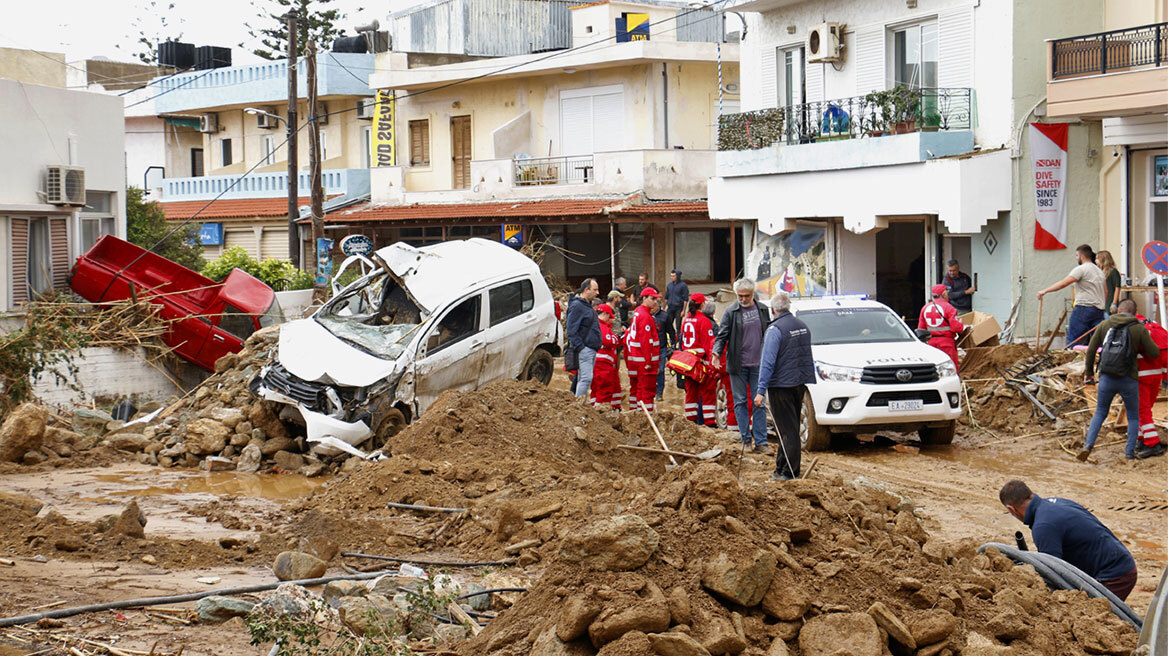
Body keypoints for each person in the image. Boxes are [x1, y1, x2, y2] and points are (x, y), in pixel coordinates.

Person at [999, 480, 1138, 601]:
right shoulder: (1055, 503)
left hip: (1114, 574)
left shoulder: (1043, 525)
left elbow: (1052, 573)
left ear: (1012, 509)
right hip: (1117, 560)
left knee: (1089, 615)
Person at [1081, 298, 1161, 461]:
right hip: (1128, 379)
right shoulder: (1138, 328)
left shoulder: (1104, 325)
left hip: (1106, 378)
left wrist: (1089, 373)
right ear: (1135, 313)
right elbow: (1154, 353)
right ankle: (1129, 453)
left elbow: (1091, 350)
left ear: (1118, 311)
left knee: (1100, 412)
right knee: (1133, 416)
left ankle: (1087, 446)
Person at [754, 291, 815, 481]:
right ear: (788, 307)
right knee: (789, 427)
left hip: (781, 385)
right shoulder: (802, 326)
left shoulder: (775, 329)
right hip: (799, 383)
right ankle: (780, 467)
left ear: (773, 309)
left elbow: (767, 362)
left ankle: (789, 472)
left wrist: (760, 391)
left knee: (787, 430)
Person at [711, 278, 771, 453]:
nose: (743, 299)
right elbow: (722, 336)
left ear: (753, 294)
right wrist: (716, 353)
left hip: (758, 364)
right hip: (738, 364)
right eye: (740, 296)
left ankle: (761, 442)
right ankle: (745, 440)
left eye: (747, 296)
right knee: (740, 401)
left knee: (759, 402)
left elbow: (769, 333)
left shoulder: (762, 310)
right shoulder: (731, 312)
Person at [1037, 244, 1107, 349]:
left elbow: (1063, 283)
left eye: (1077, 255)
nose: (1076, 258)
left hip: (1084, 308)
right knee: (1097, 341)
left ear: (1082, 256)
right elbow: (1106, 291)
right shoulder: (1099, 272)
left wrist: (1045, 291)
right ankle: (1099, 358)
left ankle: (1070, 357)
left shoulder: (1081, 269)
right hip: (1099, 310)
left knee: (1073, 340)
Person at [680, 293, 717, 427]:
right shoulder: (704, 320)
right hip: (700, 361)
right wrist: (711, 365)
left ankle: (691, 420)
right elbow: (709, 344)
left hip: (687, 362)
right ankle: (709, 422)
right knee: (707, 391)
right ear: (702, 305)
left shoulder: (686, 319)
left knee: (691, 392)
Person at [1135, 313, 1168, 458]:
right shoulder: (1156, 328)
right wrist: (1165, 376)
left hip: (1140, 375)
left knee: (1142, 411)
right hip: (1156, 375)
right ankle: (1142, 438)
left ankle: (1152, 444)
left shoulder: (1132, 330)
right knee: (1145, 409)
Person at [625, 288, 662, 412]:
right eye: (652, 298)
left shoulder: (638, 312)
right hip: (645, 361)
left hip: (638, 358)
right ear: (644, 298)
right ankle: (647, 417)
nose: (655, 302)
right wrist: (648, 361)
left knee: (640, 389)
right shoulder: (645, 316)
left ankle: (638, 414)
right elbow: (645, 341)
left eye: (656, 299)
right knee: (647, 391)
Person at [566, 279, 601, 398]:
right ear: (586, 290)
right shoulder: (577, 306)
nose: (597, 293)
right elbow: (571, 330)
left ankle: (580, 404)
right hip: (585, 349)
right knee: (586, 378)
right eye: (595, 290)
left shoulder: (586, 305)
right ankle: (579, 404)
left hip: (590, 348)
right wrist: (580, 347)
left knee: (583, 378)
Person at [919, 284, 964, 369]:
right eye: (947, 293)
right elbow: (956, 328)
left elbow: (921, 330)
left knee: (934, 368)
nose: (948, 295)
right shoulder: (949, 308)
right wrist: (961, 324)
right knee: (950, 368)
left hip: (931, 344)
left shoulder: (925, 308)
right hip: (946, 343)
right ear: (944, 294)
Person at [591, 303, 623, 411]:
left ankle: (596, 408)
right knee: (604, 389)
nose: (611, 321)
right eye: (610, 317)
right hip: (603, 364)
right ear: (605, 314)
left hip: (600, 363)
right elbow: (608, 341)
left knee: (597, 389)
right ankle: (600, 411)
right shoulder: (602, 326)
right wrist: (617, 340)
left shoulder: (596, 325)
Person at [652, 299, 676, 401]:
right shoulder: (647, 315)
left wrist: (673, 345)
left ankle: (659, 392)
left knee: (660, 370)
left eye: (654, 306)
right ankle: (651, 391)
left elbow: (671, 331)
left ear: (658, 306)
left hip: (661, 347)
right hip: (650, 347)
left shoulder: (665, 316)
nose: (652, 308)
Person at [665, 269, 690, 336]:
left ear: (678, 276)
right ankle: (672, 338)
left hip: (679, 308)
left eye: (673, 276)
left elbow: (685, 299)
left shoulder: (683, 285)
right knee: (668, 324)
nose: (672, 278)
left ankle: (679, 339)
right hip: (670, 307)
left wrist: (683, 310)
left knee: (678, 325)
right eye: (671, 276)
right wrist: (664, 308)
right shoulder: (669, 285)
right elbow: (666, 297)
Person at [1097, 250, 1123, 316]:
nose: (1095, 261)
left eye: (1097, 258)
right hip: (1102, 303)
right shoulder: (1101, 272)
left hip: (1110, 302)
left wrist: (1114, 303)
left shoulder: (1113, 271)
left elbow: (1117, 288)